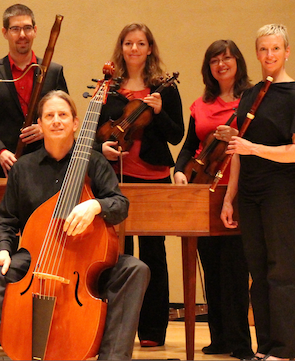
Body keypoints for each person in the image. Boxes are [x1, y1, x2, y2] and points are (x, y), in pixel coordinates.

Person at [0, 91, 150, 361]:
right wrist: (3, 250)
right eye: (49, 116)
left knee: (135, 269)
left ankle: (113, 358)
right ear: (39, 124)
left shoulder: (94, 162)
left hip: (86, 258)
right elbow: (6, 219)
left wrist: (96, 206)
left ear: (76, 123)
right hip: (35, 259)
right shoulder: (23, 168)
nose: (56, 121)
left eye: (62, 115)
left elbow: (119, 204)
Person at [221, 24, 295, 361]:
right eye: (263, 49)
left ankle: (287, 348)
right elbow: (237, 153)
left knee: (281, 268)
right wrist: (229, 199)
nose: (269, 55)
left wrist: (253, 148)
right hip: (249, 191)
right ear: (257, 53)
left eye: (276, 49)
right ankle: (267, 346)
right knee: (258, 271)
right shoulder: (249, 94)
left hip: (280, 191)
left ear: (286, 51)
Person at [96, 22, 184, 347]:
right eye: (128, 43)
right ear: (121, 48)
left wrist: (159, 113)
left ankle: (151, 331)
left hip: (153, 177)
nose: (134, 49)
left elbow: (177, 135)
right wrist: (101, 148)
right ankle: (117, 330)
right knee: (118, 254)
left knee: (153, 255)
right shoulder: (109, 86)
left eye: (140, 43)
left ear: (150, 48)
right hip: (116, 178)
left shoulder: (164, 88)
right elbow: (95, 130)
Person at [173, 39, 254, 359]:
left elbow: (259, 141)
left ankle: (240, 343)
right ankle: (219, 337)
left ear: (238, 62)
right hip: (202, 189)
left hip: (235, 189)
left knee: (235, 267)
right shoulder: (201, 104)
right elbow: (188, 147)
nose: (221, 65)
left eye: (227, 59)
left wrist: (238, 137)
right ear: (208, 68)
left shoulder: (250, 101)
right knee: (211, 266)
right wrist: (179, 172)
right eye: (214, 61)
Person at [0, 3, 68, 178]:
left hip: (48, 165)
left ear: (35, 30)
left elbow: (67, 118)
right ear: (5, 32)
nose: (22, 35)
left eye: (27, 28)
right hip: (5, 168)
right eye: (15, 29)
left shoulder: (53, 71)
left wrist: (45, 128)